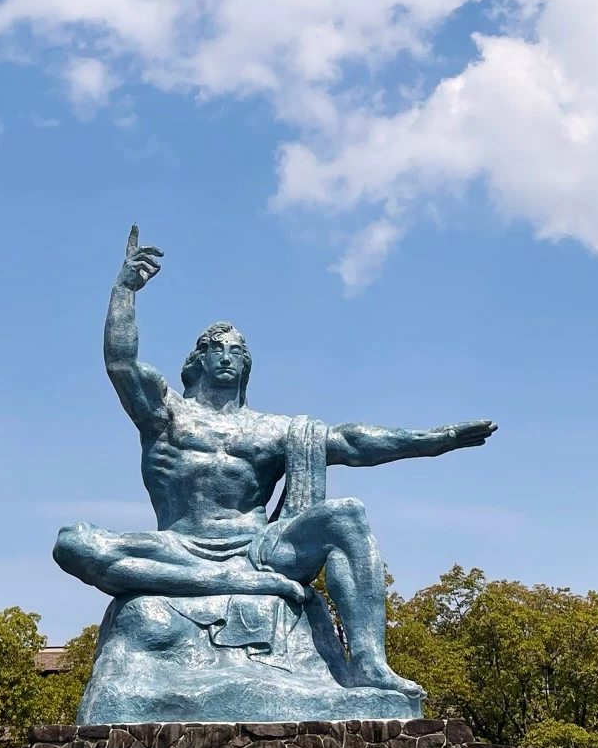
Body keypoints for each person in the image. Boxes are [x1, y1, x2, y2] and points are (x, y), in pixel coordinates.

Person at [54, 226, 496, 697]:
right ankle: (220, 580)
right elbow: (121, 364)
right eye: (215, 349)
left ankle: (368, 663)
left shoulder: (273, 430)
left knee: (346, 516)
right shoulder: (165, 414)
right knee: (73, 543)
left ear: (247, 366)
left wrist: (434, 439)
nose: (226, 356)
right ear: (196, 360)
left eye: (236, 351)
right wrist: (124, 291)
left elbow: (352, 442)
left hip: (259, 549)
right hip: (179, 546)